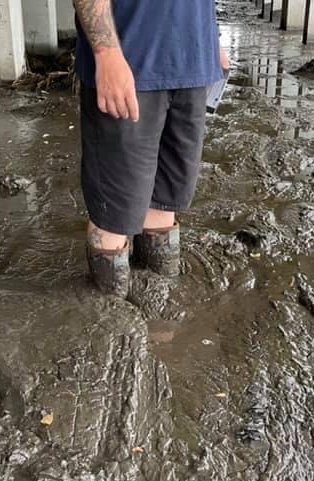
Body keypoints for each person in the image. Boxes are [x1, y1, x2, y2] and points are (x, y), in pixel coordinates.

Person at [73, 0, 231, 297]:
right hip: (129, 63)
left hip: (195, 60)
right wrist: (106, 54)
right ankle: (111, 319)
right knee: (113, 214)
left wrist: (214, 38)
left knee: (164, 201)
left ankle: (161, 320)